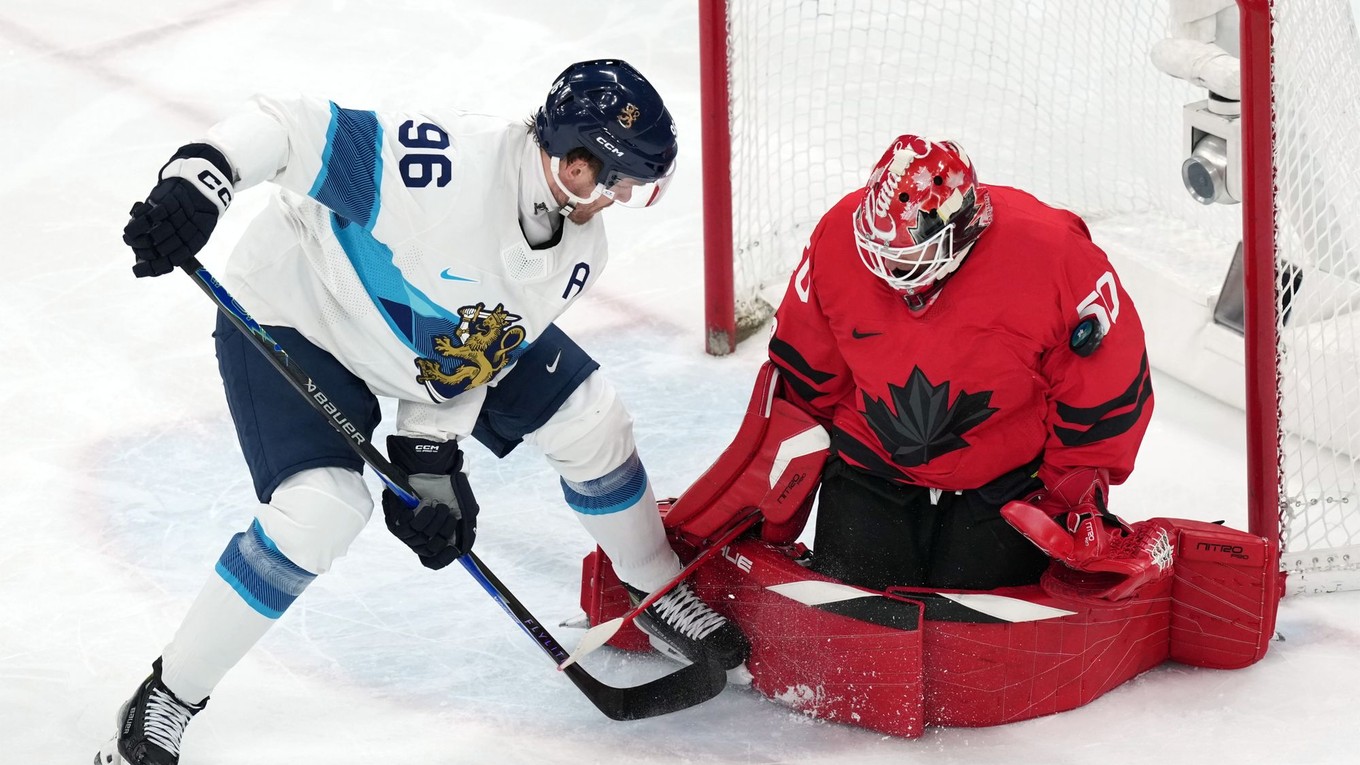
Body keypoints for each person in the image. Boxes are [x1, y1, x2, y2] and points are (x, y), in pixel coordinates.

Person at [98, 59, 749, 765]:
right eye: (617, 179)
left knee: (591, 418)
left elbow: (466, 352)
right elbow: (291, 131)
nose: (620, 197)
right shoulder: (442, 172)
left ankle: (651, 587)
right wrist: (200, 178)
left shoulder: (577, 248)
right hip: (297, 312)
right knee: (320, 511)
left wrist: (430, 458)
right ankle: (169, 693)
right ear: (573, 160)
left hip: (410, 349)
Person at [768, 135, 1156, 593]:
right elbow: (806, 366)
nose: (888, 271)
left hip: (1008, 484)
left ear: (961, 227)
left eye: (907, 257)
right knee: (854, 625)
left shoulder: (1054, 255)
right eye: (879, 251)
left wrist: (1070, 489)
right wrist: (782, 463)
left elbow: (1106, 381)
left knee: (979, 644)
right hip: (870, 463)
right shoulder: (840, 236)